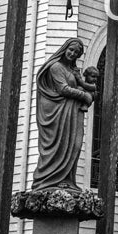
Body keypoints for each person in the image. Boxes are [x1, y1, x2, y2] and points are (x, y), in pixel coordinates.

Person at [32, 38, 94, 191]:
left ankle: (67, 179)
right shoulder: (56, 67)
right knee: (59, 146)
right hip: (56, 113)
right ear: (65, 48)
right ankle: (50, 180)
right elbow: (63, 90)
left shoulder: (71, 70)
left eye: (76, 53)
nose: (72, 54)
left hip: (70, 113)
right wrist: (84, 95)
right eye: (71, 50)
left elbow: (80, 85)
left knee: (75, 144)